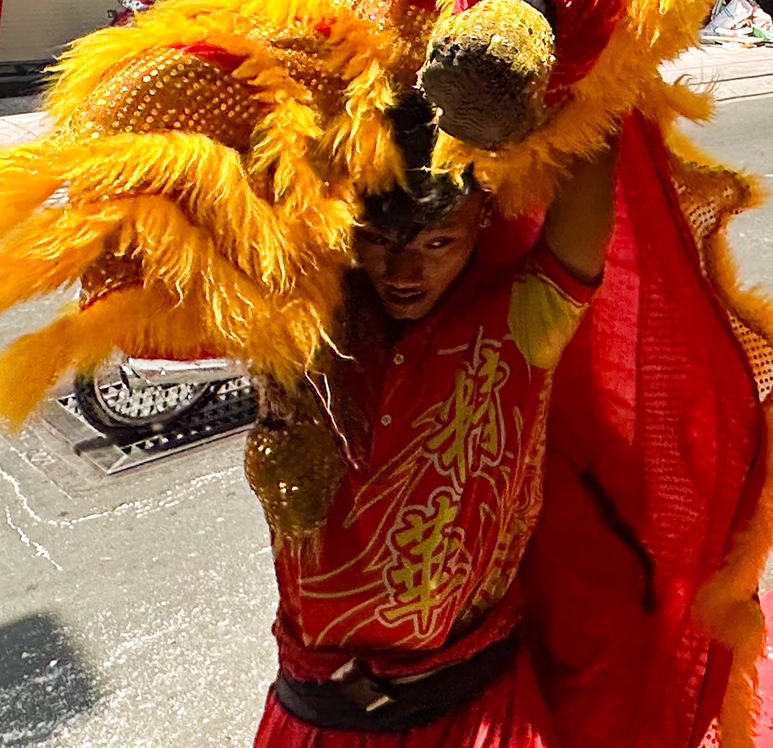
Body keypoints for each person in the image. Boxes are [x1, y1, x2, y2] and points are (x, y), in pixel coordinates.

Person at [247, 96, 621, 744]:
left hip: (477, 713)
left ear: (484, 215)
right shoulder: (299, 325)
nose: (404, 272)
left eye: (437, 242)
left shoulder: (521, 325)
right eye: (377, 242)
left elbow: (595, 134)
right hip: (319, 716)